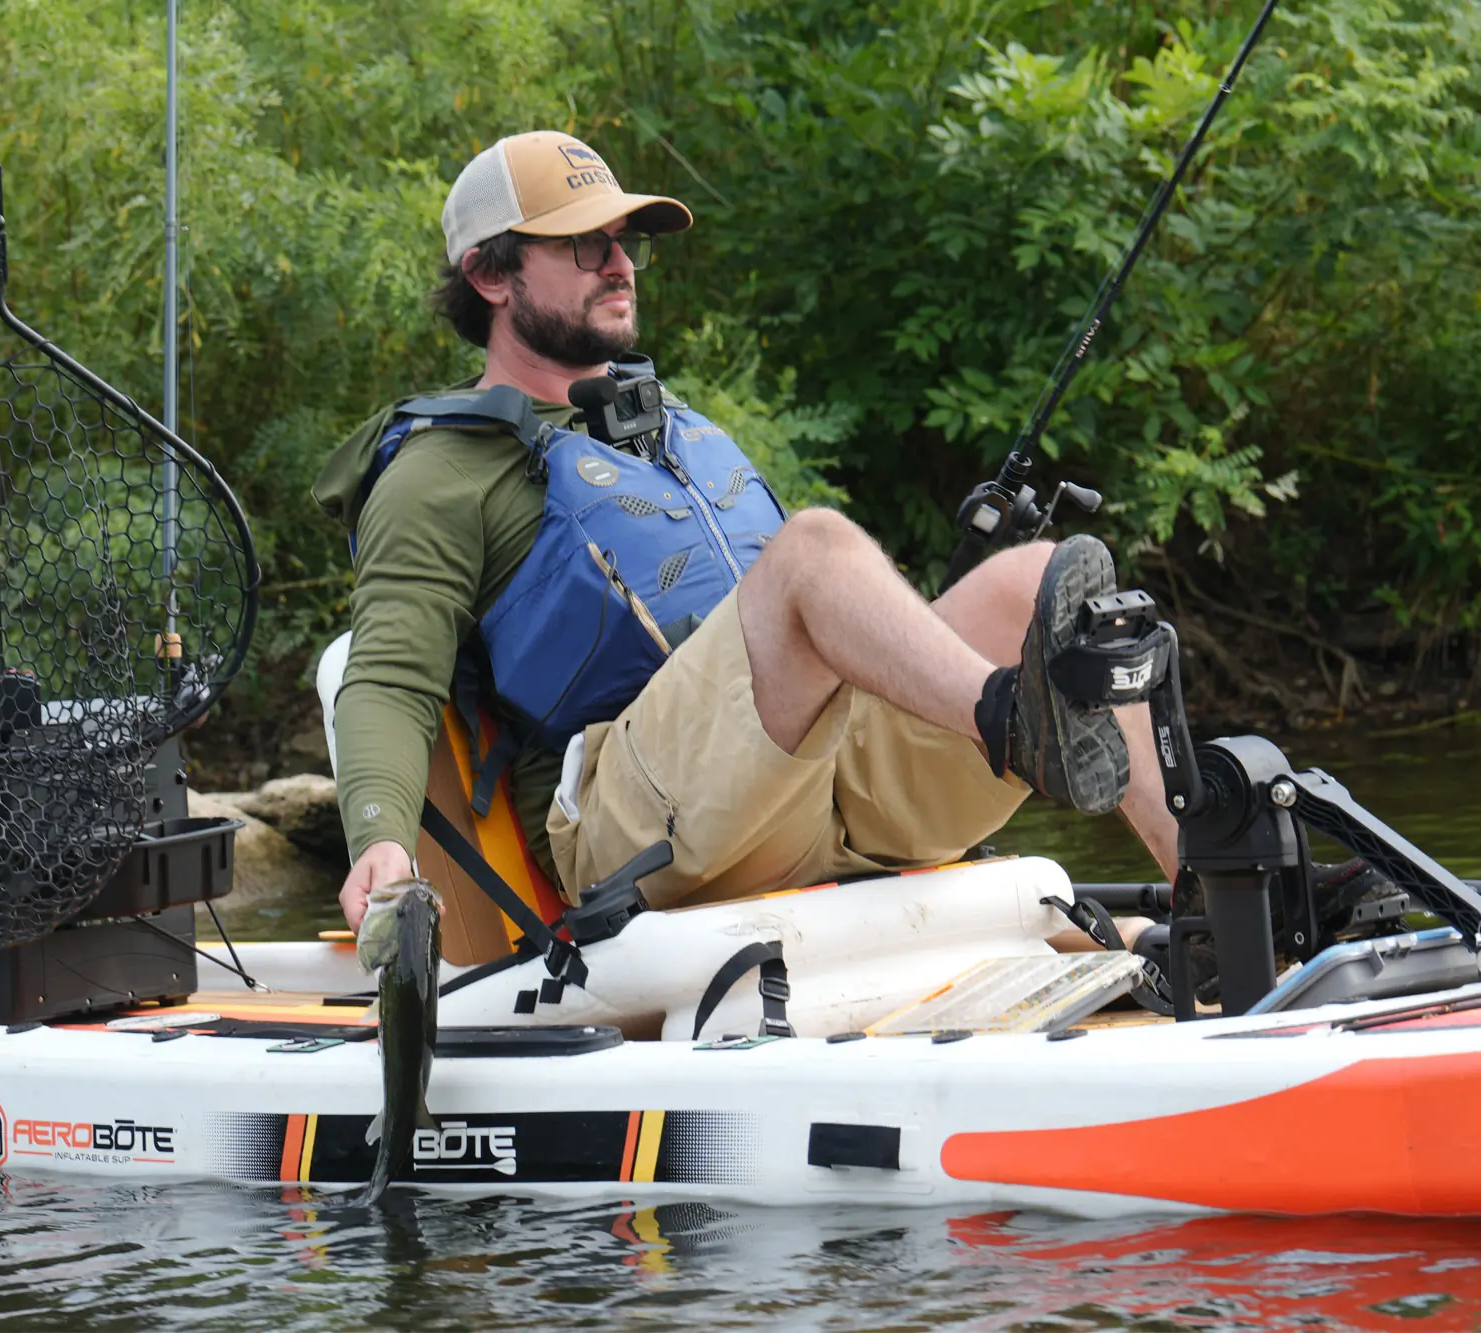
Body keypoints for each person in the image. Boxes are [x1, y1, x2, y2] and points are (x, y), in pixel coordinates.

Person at [313, 130, 1178, 935]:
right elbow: (385, 677)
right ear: (491, 277)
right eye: (585, 245)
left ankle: (1212, 897)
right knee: (816, 547)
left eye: (627, 243)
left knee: (1046, 585)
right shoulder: (440, 470)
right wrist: (379, 840)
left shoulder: (664, 428)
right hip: (636, 833)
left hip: (812, 782)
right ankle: (1011, 719)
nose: (621, 266)